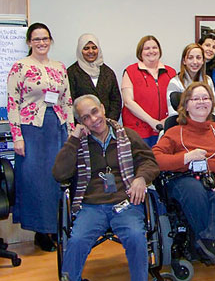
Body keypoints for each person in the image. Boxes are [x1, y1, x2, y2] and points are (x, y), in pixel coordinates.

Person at [52, 94, 160, 281]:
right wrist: (73, 140)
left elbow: (149, 162)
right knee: (76, 240)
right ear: (80, 122)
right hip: (91, 206)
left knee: (136, 236)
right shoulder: (78, 143)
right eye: (86, 117)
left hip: (125, 203)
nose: (93, 119)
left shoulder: (127, 135)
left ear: (102, 108)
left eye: (95, 112)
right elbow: (59, 174)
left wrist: (141, 178)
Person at [153, 83, 215, 264]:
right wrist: (186, 157)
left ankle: (208, 243)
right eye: (196, 99)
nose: (202, 102)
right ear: (186, 105)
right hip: (184, 178)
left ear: (211, 103)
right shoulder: (175, 132)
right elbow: (155, 158)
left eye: (206, 98)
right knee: (194, 190)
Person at [7, 22, 75, 252]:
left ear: (50, 40)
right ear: (29, 42)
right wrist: (17, 136)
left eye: (45, 38)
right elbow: (12, 103)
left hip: (56, 126)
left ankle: (55, 228)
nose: (41, 43)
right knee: (36, 181)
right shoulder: (20, 66)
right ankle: (40, 231)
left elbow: (67, 101)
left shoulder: (59, 66)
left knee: (57, 178)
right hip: (31, 129)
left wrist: (71, 132)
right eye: (36, 39)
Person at [122, 35, 176, 147]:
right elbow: (128, 102)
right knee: (143, 163)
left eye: (154, 48)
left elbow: (178, 101)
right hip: (139, 131)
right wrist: (152, 122)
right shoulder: (130, 71)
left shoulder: (170, 72)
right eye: (147, 48)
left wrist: (165, 121)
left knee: (163, 162)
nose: (151, 51)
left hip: (165, 128)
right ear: (140, 52)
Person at [67, 33, 122, 121]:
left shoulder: (108, 72)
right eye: (86, 48)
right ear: (80, 50)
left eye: (94, 47)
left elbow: (116, 100)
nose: (91, 51)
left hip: (106, 125)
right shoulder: (72, 72)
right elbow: (69, 102)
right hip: (83, 127)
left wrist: (109, 122)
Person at [166, 43, 215, 117]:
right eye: (190, 58)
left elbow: (213, 110)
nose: (195, 62)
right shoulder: (175, 83)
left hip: (206, 124)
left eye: (198, 58)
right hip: (183, 125)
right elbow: (173, 115)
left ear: (203, 61)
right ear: (184, 61)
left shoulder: (208, 81)